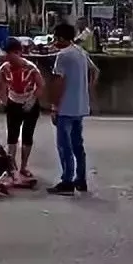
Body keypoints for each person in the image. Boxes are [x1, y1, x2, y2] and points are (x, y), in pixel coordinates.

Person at [47, 22, 100, 196]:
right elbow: (95, 71)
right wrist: (86, 90)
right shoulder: (81, 52)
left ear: (61, 38)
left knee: (65, 146)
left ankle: (67, 181)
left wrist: (54, 106)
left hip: (66, 108)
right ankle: (81, 179)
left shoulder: (63, 56)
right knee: (78, 145)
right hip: (80, 106)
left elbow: (59, 82)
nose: (54, 41)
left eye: (56, 37)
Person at [0, 37, 44, 185]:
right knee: (12, 136)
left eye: (10, 54)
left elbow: (41, 85)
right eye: (6, 54)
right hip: (13, 101)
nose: (8, 57)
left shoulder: (30, 67)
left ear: (18, 52)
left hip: (29, 101)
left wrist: (32, 100)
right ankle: (11, 167)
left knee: (28, 135)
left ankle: (24, 166)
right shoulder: (4, 67)